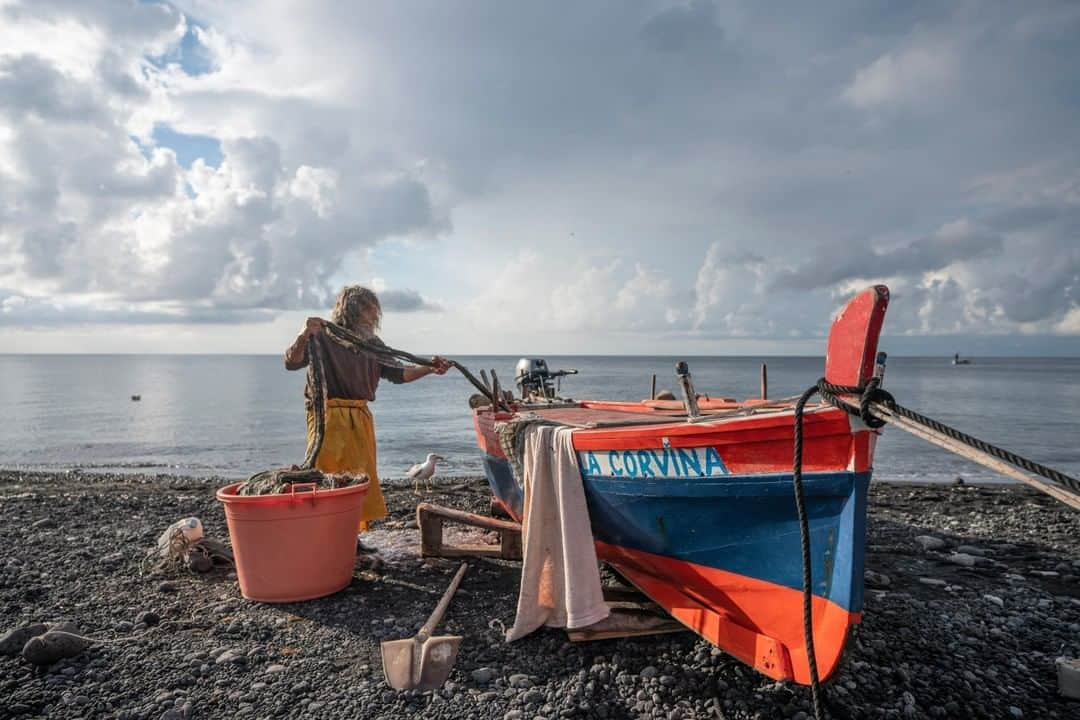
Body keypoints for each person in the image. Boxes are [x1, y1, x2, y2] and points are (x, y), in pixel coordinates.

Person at [284, 285, 450, 534]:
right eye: (368, 310)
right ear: (350, 310)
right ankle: (320, 531)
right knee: (326, 473)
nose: (373, 317)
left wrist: (430, 368)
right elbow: (292, 361)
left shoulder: (373, 345)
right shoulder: (323, 335)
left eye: (375, 311)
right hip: (326, 417)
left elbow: (400, 374)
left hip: (359, 418)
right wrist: (304, 333)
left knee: (360, 477)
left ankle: (353, 534)